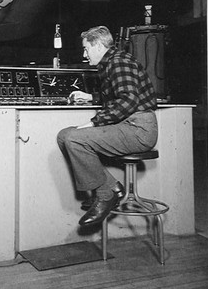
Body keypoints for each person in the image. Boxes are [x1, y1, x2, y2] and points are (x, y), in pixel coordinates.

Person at [57, 25, 158, 227]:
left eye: (86, 49)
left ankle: (106, 193)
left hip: (138, 129)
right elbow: (119, 95)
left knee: (74, 138)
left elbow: (128, 100)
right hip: (128, 124)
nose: (84, 55)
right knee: (64, 135)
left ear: (97, 46)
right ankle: (110, 187)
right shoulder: (111, 62)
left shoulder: (118, 62)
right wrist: (91, 96)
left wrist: (94, 122)